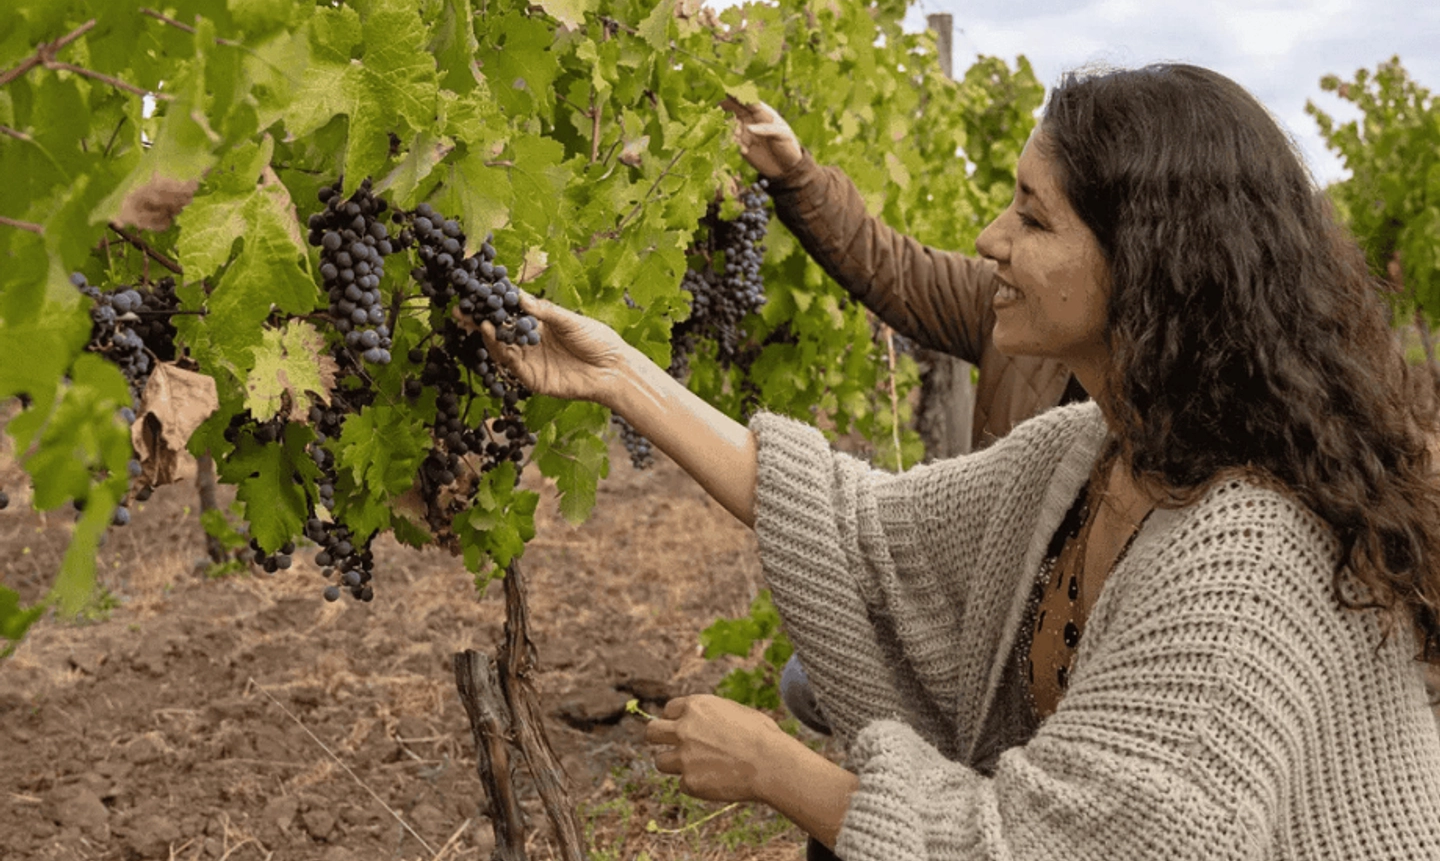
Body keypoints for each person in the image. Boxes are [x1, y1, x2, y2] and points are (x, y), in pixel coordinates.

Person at [479, 64, 1440, 859]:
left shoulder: (1246, 555)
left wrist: (778, 769)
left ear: (1147, 263)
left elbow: (1058, 850)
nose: (989, 239)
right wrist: (622, 376)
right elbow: (859, 527)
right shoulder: (1090, 453)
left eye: (1032, 216)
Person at [724, 95, 1089, 749]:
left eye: (1032, 219)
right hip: (988, 631)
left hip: (1064, 680)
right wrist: (795, 174)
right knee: (810, 682)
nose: (990, 238)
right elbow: (894, 267)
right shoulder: (1010, 303)